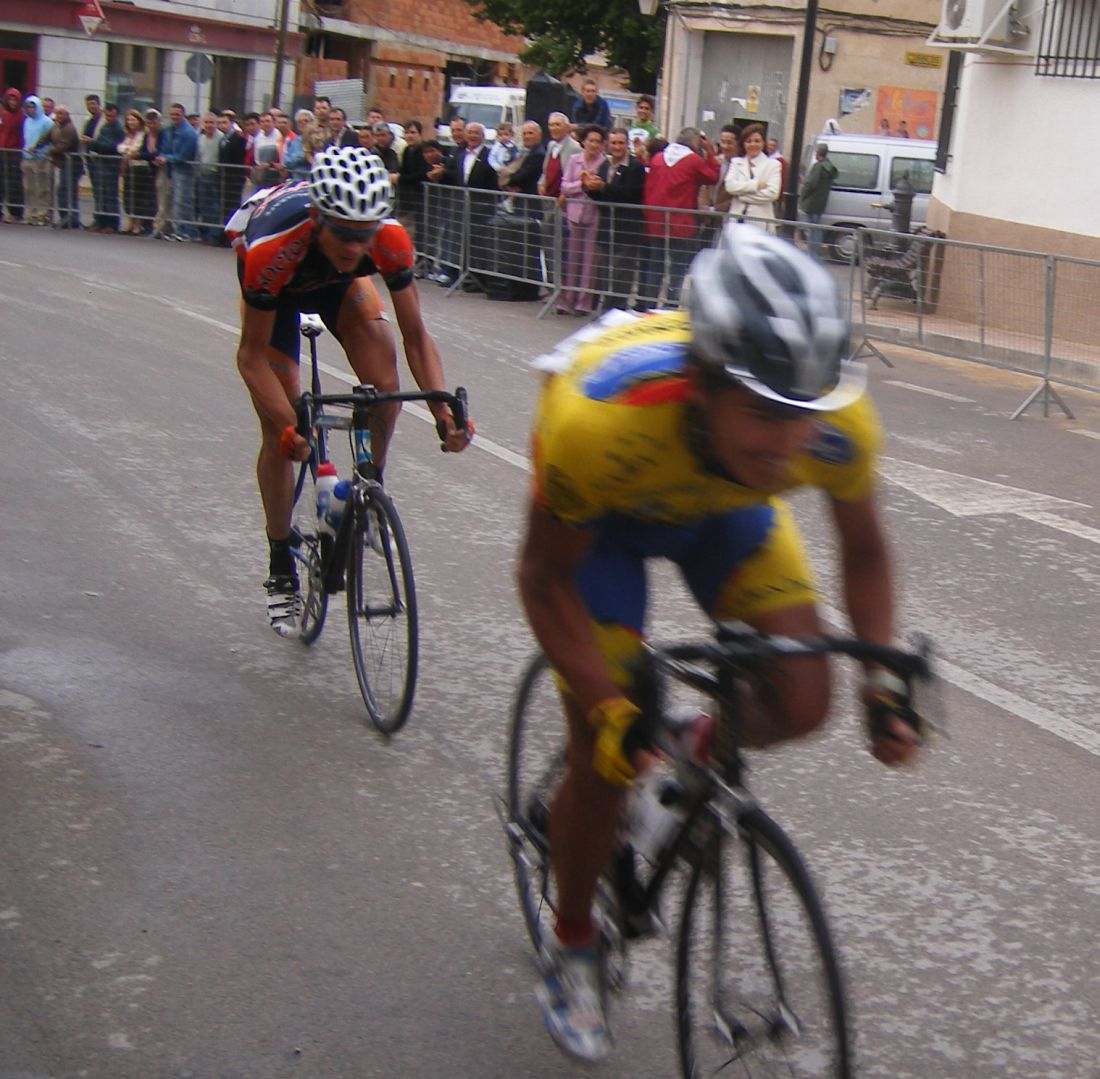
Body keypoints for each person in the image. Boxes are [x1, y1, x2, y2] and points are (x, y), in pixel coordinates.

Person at [517, 226, 918, 1063]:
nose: (791, 441)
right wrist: (608, 709)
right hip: (605, 532)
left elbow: (866, 550)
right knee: (603, 756)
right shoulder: (599, 417)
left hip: (724, 516)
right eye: (766, 412)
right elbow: (544, 578)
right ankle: (575, 939)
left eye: (805, 412)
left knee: (804, 698)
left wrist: (881, 686)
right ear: (701, 385)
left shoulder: (832, 426)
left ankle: (685, 749)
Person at [225, 147, 472, 635]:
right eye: (344, 232)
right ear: (319, 218)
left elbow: (416, 336)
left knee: (384, 382)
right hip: (280, 289)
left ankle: (368, 486)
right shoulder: (273, 249)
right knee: (282, 426)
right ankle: (280, 562)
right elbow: (250, 358)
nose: (355, 246)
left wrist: (443, 411)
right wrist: (289, 425)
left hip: (338, 289)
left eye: (365, 234)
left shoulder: (388, 240)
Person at [638, 127, 718, 309]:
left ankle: (649, 305)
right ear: (695, 142)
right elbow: (712, 177)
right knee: (678, 267)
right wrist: (710, 152)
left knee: (655, 265)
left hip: (656, 218)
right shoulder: (693, 160)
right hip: (681, 219)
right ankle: (670, 307)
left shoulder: (658, 158)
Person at [584, 127, 645, 310]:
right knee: (606, 271)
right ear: (608, 145)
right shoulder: (605, 164)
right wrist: (589, 187)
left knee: (621, 273)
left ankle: (616, 310)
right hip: (607, 227)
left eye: (621, 143)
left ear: (627, 144)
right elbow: (601, 197)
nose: (617, 147)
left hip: (626, 228)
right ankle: (606, 309)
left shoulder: (635, 166)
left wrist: (603, 187)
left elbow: (630, 194)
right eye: (614, 143)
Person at [557, 125, 607, 317]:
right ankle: (566, 300)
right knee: (572, 259)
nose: (593, 145)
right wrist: (582, 184)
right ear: (583, 142)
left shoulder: (604, 163)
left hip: (594, 216)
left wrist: (590, 185)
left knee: (590, 262)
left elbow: (602, 187)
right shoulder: (574, 160)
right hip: (574, 215)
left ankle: (584, 303)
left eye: (597, 141)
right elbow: (565, 186)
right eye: (590, 140)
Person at [724, 122, 781, 230]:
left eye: (757, 141)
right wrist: (755, 185)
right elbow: (730, 186)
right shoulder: (736, 162)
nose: (753, 144)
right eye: (748, 141)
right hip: (736, 222)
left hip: (760, 224)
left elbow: (772, 194)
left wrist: (741, 195)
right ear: (743, 144)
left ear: (763, 143)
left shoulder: (773, 165)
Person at [157, 102, 198, 240]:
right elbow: (164, 147)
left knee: (182, 202)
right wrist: (163, 156)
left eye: (177, 114)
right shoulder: (168, 129)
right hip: (171, 169)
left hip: (184, 170)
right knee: (176, 201)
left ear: (183, 115)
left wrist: (166, 158)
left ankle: (184, 231)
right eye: (172, 114)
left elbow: (184, 156)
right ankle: (183, 231)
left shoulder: (188, 133)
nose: (174, 117)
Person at [798, 143, 839, 260]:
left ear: (818, 153)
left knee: (812, 229)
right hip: (821, 203)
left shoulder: (818, 167)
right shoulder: (829, 167)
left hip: (811, 202)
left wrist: (803, 196)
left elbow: (811, 184)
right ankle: (815, 252)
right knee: (816, 228)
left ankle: (813, 254)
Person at [20, 95, 54, 226]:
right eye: (28, 107)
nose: (31, 109)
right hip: (27, 158)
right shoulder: (27, 121)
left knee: (43, 188)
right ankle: (30, 213)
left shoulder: (47, 122)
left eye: (33, 107)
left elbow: (50, 140)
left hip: (41, 159)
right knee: (29, 188)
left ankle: (42, 214)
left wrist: (40, 150)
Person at [47, 104, 82, 229]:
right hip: (63, 164)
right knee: (63, 191)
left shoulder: (69, 128)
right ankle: (66, 217)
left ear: (67, 115)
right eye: (57, 113)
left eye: (61, 113)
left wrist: (50, 151)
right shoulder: (56, 126)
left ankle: (71, 218)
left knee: (67, 191)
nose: (58, 116)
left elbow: (63, 146)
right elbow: (46, 136)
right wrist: (35, 147)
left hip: (72, 164)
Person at [140, 108, 172, 238]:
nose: (151, 126)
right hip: (152, 168)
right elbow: (144, 150)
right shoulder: (147, 135)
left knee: (163, 200)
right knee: (154, 199)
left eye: (153, 123)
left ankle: (159, 228)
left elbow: (161, 151)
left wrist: (142, 155)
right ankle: (153, 225)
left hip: (163, 169)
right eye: (148, 123)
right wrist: (143, 155)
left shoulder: (164, 134)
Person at [117, 108, 146, 234]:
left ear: (139, 121)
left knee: (137, 197)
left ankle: (138, 225)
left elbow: (135, 148)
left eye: (133, 120)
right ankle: (130, 222)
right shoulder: (127, 134)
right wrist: (127, 149)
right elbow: (120, 147)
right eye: (128, 120)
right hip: (127, 168)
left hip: (139, 168)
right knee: (127, 196)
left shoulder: (142, 134)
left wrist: (127, 149)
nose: (130, 122)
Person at [538, 112, 580, 200]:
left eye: (558, 125)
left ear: (567, 127)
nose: (554, 128)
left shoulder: (575, 147)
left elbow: (576, 177)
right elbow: (545, 171)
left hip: (565, 199)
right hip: (548, 196)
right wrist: (541, 184)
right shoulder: (551, 145)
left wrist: (565, 194)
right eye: (551, 125)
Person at [80, 94, 106, 227]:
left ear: (98, 104)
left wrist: (91, 141)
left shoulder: (104, 120)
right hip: (90, 158)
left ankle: (103, 220)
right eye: (88, 104)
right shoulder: (88, 120)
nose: (91, 107)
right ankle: (97, 218)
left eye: (93, 104)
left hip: (101, 160)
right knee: (96, 191)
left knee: (102, 191)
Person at [0, 87, 24, 222]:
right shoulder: (3, 114)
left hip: (14, 153)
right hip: (2, 152)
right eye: (10, 100)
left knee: (14, 183)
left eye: (15, 100)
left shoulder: (21, 116)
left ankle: (15, 212)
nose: (12, 102)